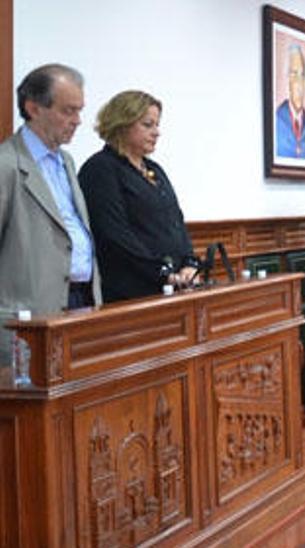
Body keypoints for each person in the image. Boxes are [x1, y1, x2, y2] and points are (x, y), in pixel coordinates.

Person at [0, 64, 99, 367]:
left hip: (82, 303)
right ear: (33, 108)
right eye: (68, 111)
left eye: (79, 111)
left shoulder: (66, 161)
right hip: (31, 316)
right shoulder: (7, 165)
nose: (77, 121)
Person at [78, 90, 199, 304]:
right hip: (130, 293)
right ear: (122, 124)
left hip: (173, 287)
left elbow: (176, 222)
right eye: (148, 124)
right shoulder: (100, 169)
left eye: (157, 124)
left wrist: (190, 262)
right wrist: (161, 273)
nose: (157, 132)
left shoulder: (154, 169)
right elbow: (114, 234)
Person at [275, 44, 305, 160]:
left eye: (302, 75)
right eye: (294, 74)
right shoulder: (278, 119)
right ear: (286, 79)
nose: (299, 82)